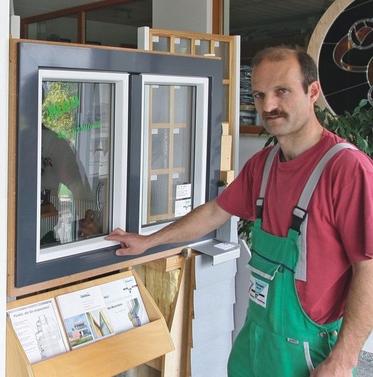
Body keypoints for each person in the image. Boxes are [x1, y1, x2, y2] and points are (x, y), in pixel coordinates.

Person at [105, 46, 373, 377]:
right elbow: (216, 211)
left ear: (313, 92)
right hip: (256, 342)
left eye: (282, 92)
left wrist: (343, 360)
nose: (269, 106)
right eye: (260, 95)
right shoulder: (263, 165)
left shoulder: (348, 170)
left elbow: (369, 269)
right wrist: (150, 241)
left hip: (310, 353)